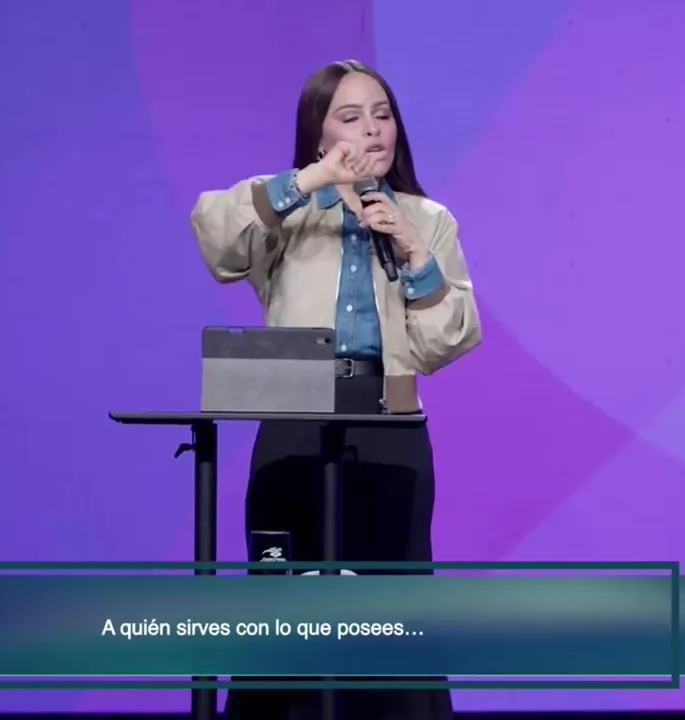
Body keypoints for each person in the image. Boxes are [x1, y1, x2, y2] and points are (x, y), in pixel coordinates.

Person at [189, 59, 481, 720]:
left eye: (382, 115)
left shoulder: (427, 219)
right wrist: (311, 180)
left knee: (391, 613)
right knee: (283, 604)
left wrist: (413, 252)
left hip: (389, 427)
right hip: (293, 420)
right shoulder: (287, 211)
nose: (372, 130)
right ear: (318, 135)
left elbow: (446, 340)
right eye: (350, 117)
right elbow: (215, 238)